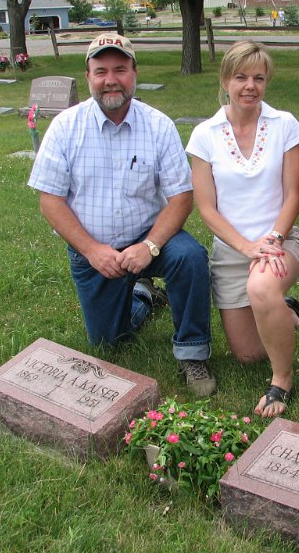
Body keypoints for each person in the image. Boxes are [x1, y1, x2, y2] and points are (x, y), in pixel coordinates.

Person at [28, 33, 216, 397]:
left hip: (151, 237)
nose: (110, 79)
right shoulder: (66, 128)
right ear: (88, 77)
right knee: (108, 341)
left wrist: (150, 245)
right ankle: (144, 297)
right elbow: (50, 201)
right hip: (94, 250)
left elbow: (181, 197)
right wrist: (92, 250)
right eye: (101, 71)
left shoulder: (159, 125)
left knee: (191, 257)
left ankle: (192, 352)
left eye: (120, 69)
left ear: (134, 73)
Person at [186, 41, 299, 418]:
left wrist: (273, 239)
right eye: (241, 77)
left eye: (259, 78)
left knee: (261, 285)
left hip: (280, 242)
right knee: (246, 354)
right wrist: (245, 247)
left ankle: (282, 379)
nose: (250, 86)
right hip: (231, 252)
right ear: (226, 79)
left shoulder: (284, 125)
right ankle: (286, 312)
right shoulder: (205, 134)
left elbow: (295, 194)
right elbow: (206, 208)